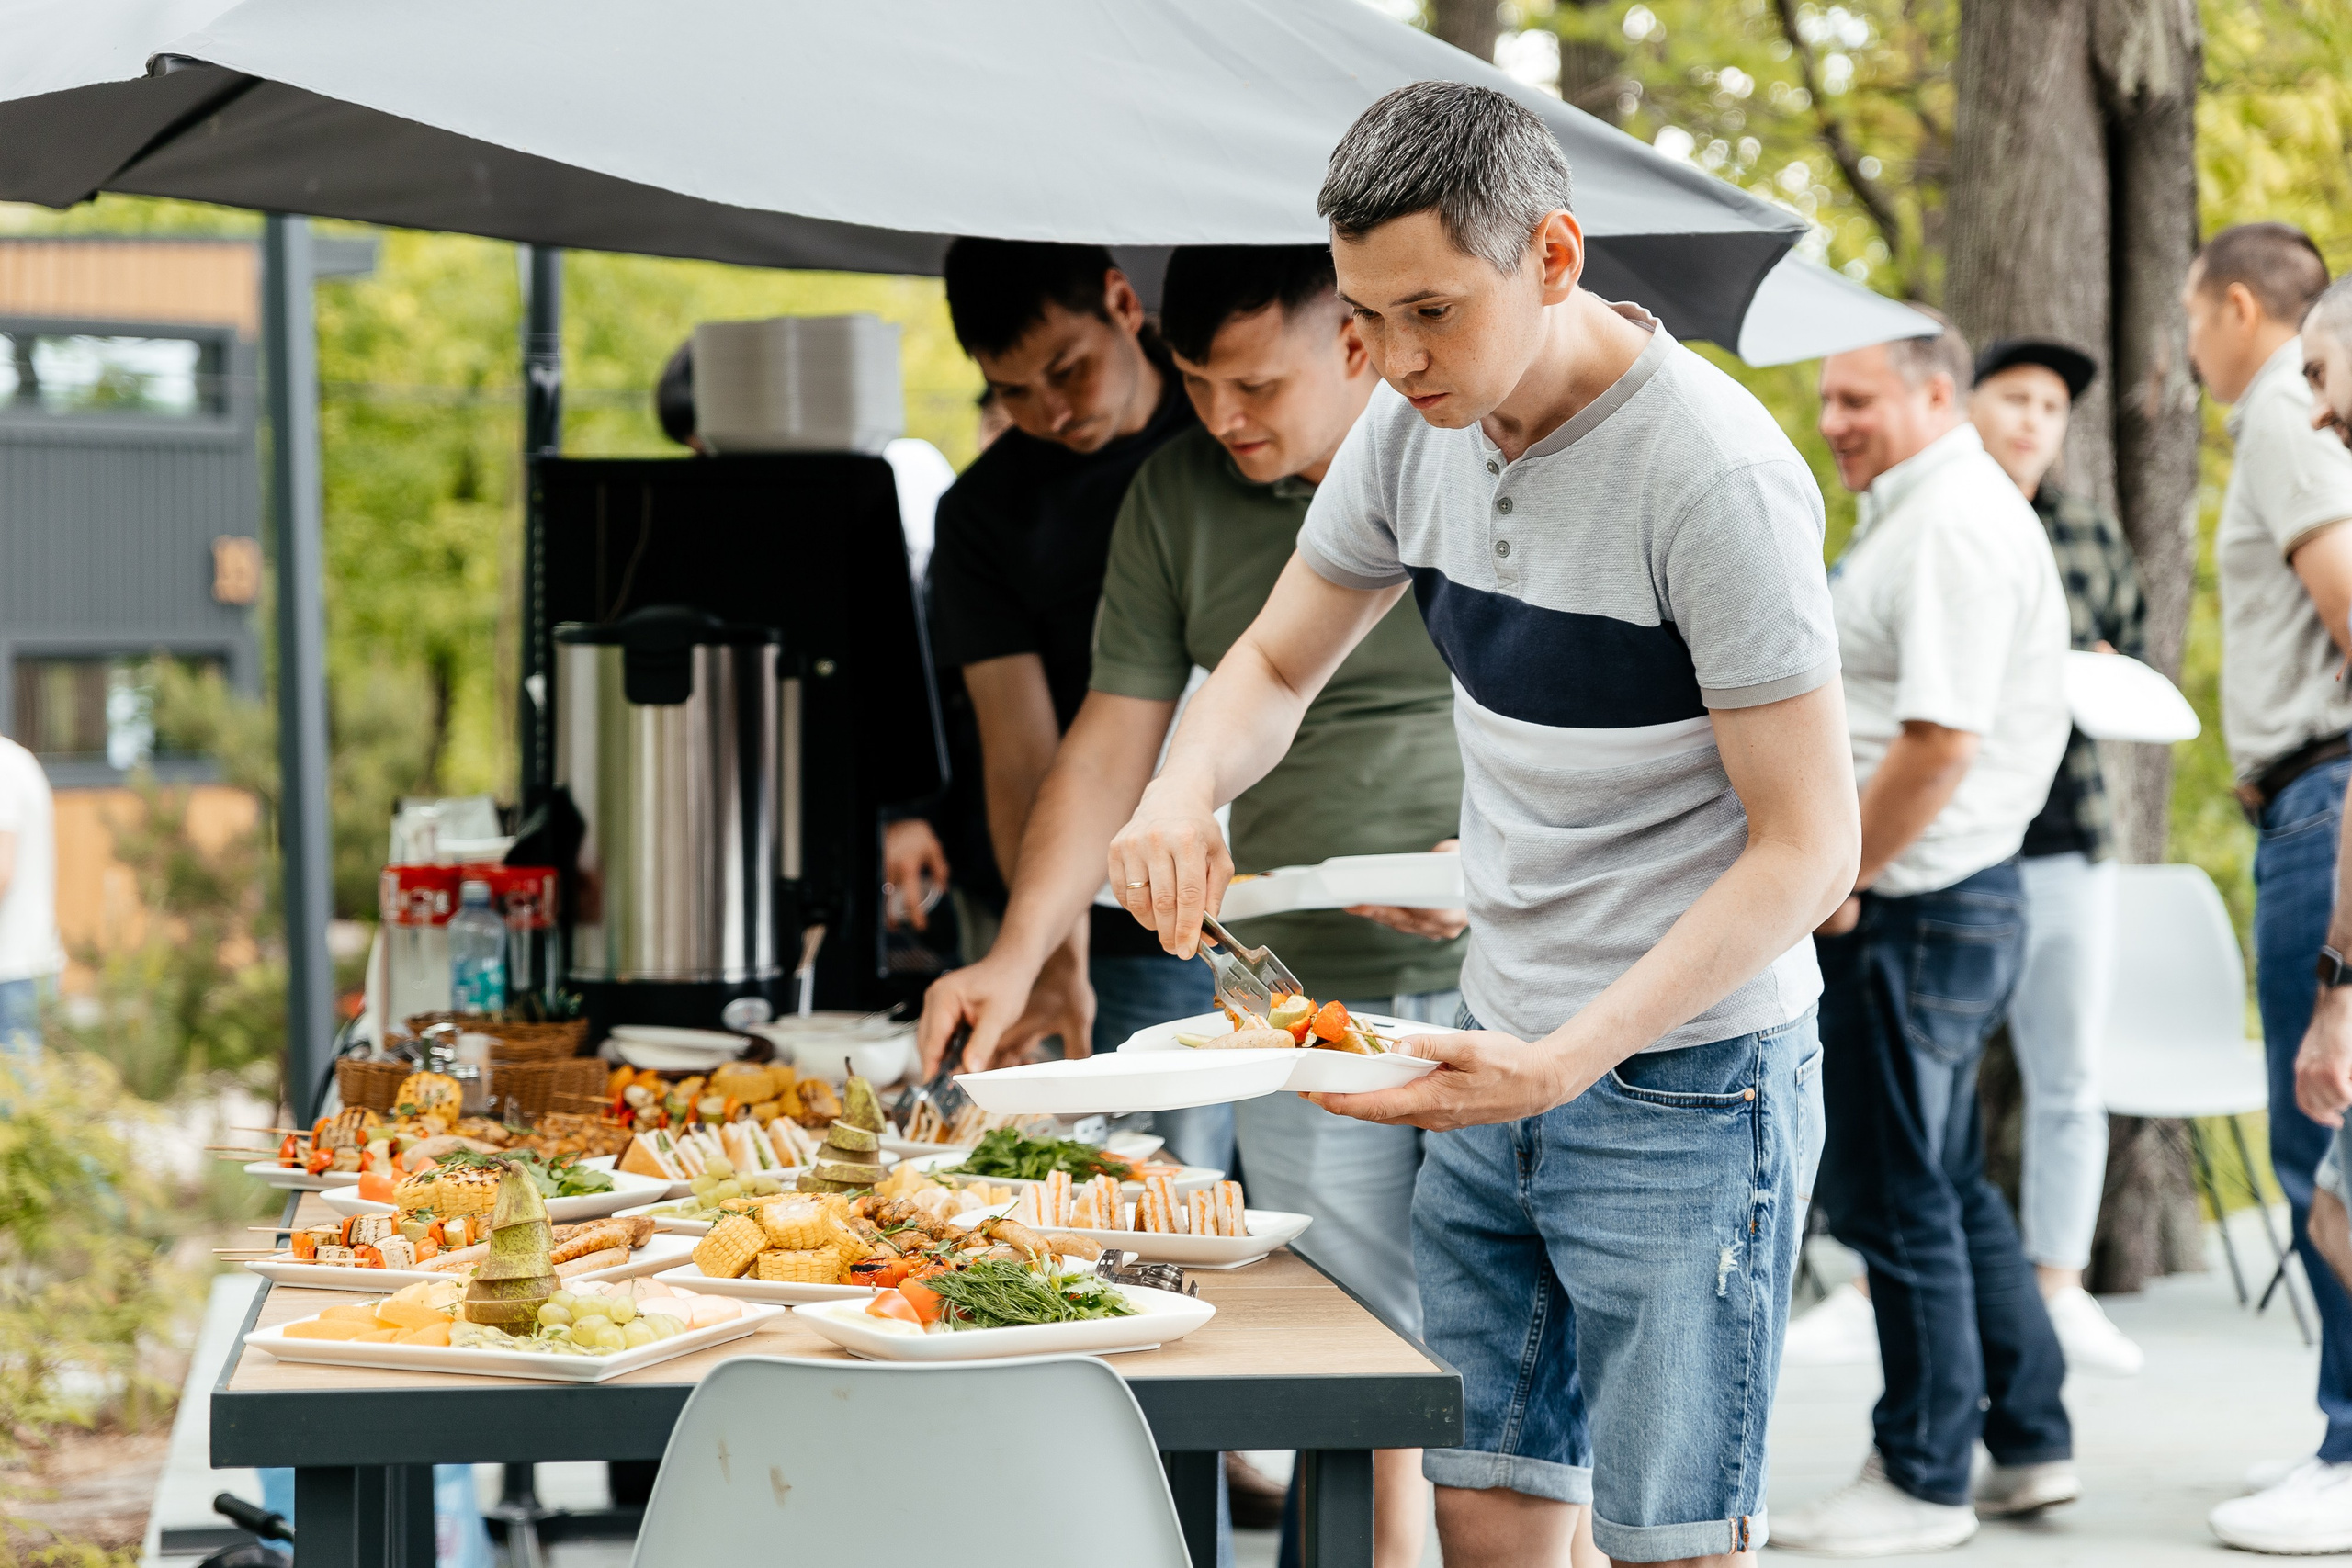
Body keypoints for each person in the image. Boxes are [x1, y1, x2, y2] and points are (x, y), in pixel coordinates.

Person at [1106, 82, 1858, 1567]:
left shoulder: (1713, 473)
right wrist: (1182, 790)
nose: (1393, 360)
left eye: (1432, 313)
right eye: (1365, 318)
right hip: (1487, 1049)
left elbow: (1810, 847)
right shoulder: (1410, 433)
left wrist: (1569, 1056)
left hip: (1689, 1085)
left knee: (1673, 1546)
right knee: (1488, 1523)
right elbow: (1272, 665)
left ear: (1555, 257)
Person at [917, 243, 1476, 1568]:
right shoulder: (1174, 493)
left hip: (1521, 972)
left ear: (1352, 342)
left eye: (1255, 386)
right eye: (1198, 384)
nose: (1221, 417)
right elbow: (1104, 746)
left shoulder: (1463, 446)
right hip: (1301, 1000)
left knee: (1510, 1338)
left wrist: (1498, 857)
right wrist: (1019, 952)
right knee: (1351, 1333)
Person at [1771, 314, 2076, 1556]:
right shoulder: (1922, 510)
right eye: (1827, 400)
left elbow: (1941, 741)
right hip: (1936, 902)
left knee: (1893, 1195)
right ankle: (2030, 1437)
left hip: (1913, 906)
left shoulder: (1951, 519)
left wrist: (1835, 873)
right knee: (1943, 1181)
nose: (1833, 422)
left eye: (1857, 399)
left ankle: (1921, 1472)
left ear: (1936, 394)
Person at [922, 239, 1222, 1160]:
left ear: (1123, 303)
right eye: (1012, 390)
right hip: (1097, 902)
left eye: (1067, 369)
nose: (1050, 411)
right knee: (1142, 1173)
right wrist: (1051, 958)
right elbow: (1021, 755)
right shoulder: (984, 513)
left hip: (1280, 879)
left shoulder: (1235, 417)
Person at [2187, 225, 2352, 1556]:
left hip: (2325, 798)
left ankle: (2350, 1448)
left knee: (2324, 1140)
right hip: (2302, 800)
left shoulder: (2289, 410)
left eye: (2191, 319)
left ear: (2235, 306)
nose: (2189, 349)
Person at [1970, 336, 2150, 1376]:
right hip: (1958, 843)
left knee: (2069, 1073)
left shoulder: (2088, 533)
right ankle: (1866, 1283)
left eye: (2051, 405)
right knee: (1926, 1072)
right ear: (1969, 406)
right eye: (2015, 398)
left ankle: (2059, 1286)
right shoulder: (1939, 520)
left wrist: (2103, 669)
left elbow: (2132, 659)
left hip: (2069, 837)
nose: (2034, 419)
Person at [0, 732, 61, 1059]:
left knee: (16, 1087)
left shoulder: (3, 767)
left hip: (11, 970)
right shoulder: (15, 759)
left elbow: (1, 872)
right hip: (24, 965)